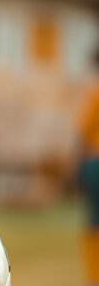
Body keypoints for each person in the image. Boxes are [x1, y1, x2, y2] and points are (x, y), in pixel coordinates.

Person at [79, 47, 99, 286]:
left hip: (96, 161)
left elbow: (83, 131)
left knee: (94, 220)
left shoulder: (94, 91)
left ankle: (94, 275)